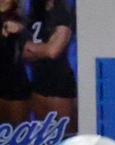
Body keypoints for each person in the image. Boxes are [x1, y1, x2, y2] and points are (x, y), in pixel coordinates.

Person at [23, 0, 76, 133]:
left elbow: (53, 52)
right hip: (37, 85)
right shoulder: (34, 13)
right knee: (44, 138)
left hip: (60, 86)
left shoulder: (63, 11)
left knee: (68, 138)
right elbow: (21, 51)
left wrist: (33, 48)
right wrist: (44, 49)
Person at [0, 0, 31, 126]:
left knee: (20, 137)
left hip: (16, 88)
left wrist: (20, 29)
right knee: (3, 136)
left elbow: (29, 38)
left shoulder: (20, 17)